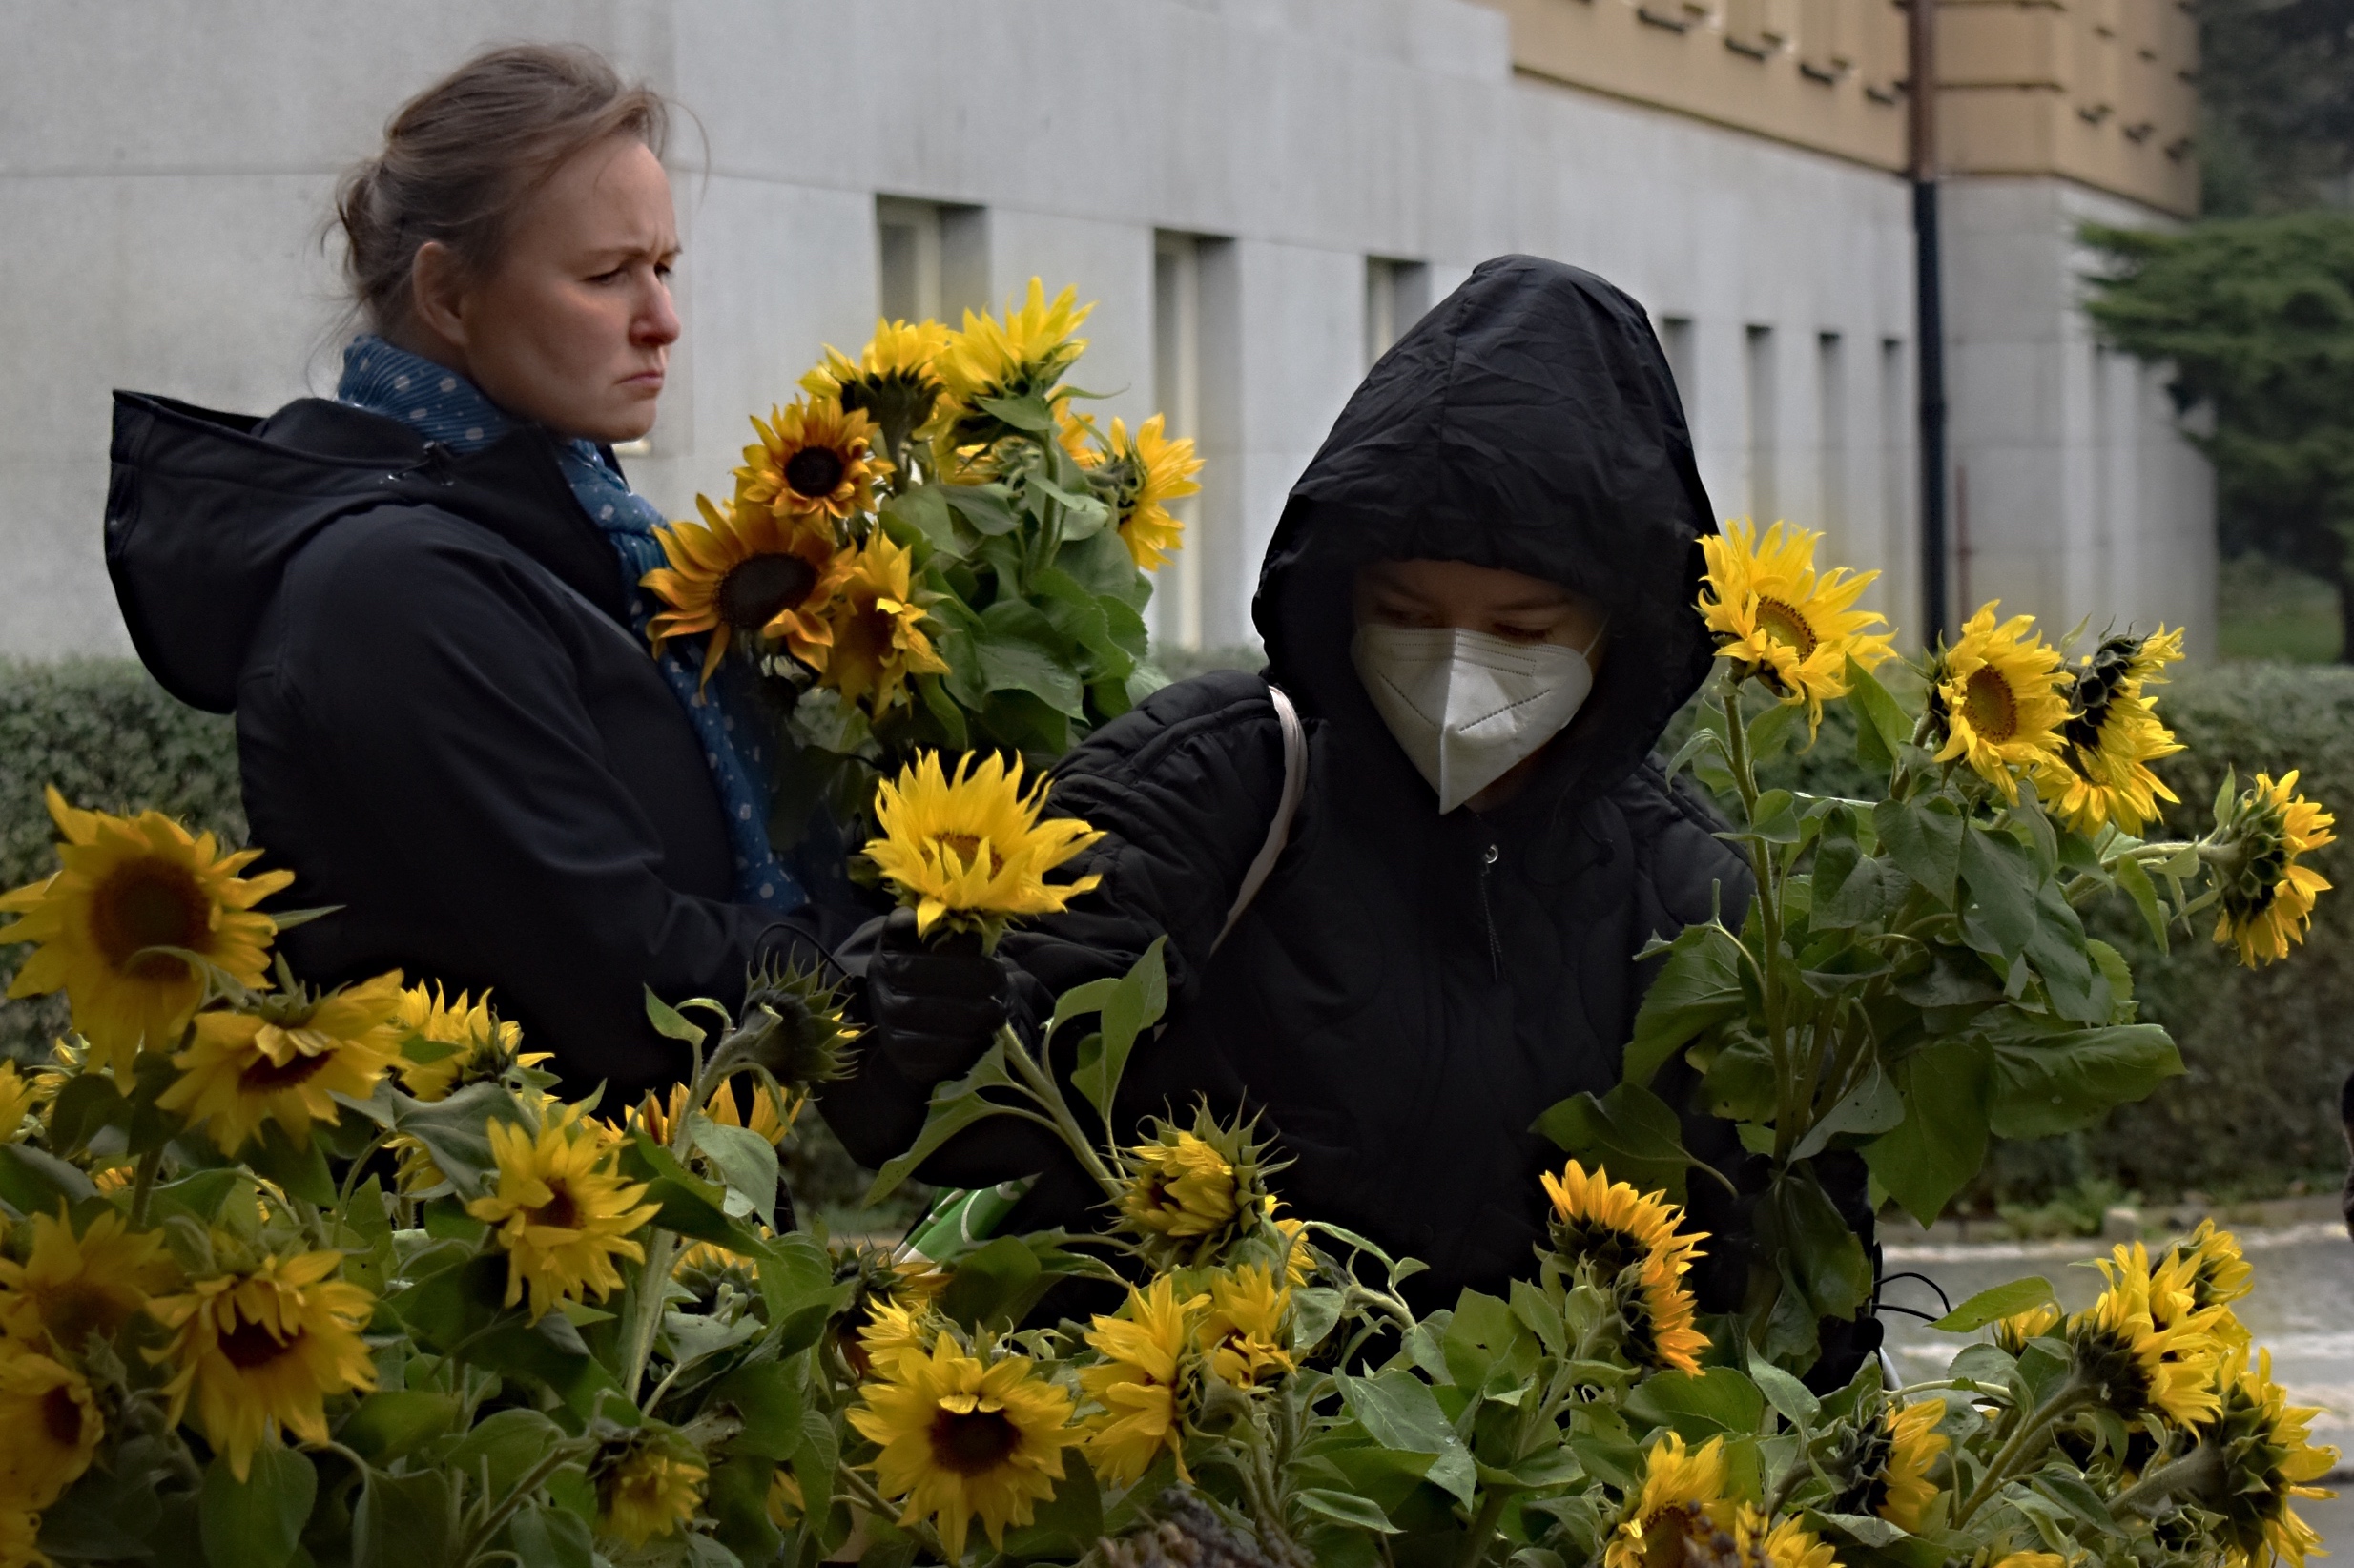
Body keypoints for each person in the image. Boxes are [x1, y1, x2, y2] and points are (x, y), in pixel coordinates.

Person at [825, 256, 1881, 1379]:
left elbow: (1784, 1298)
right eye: (1407, 613)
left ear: (1621, 638)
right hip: (1183, 1462)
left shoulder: (1698, 899)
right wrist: (922, 1013)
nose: (1461, 668)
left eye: (1521, 630)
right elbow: (957, 1092)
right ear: (1337, 595)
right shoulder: (1220, 784)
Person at [104, 45, 844, 1100]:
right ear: (448, 295)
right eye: (605, 276)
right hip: (502, 1234)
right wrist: (874, 979)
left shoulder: (577, 538)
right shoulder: (398, 589)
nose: (662, 320)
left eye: (663, 267)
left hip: (631, 1219)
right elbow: (618, 966)